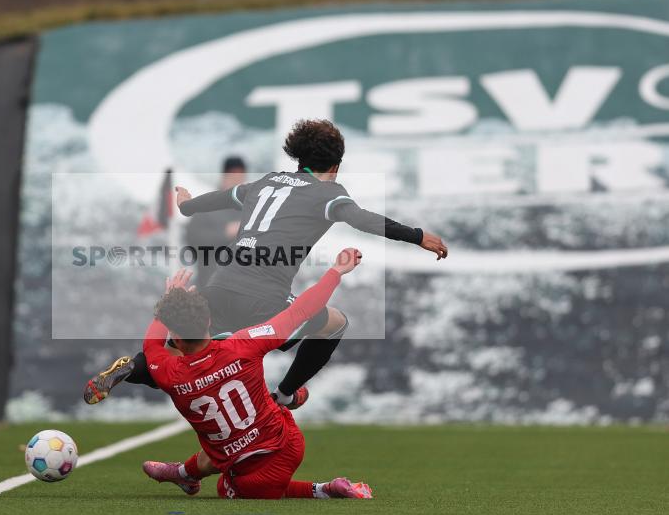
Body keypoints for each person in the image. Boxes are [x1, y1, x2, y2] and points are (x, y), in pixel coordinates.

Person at [85, 119, 448, 409]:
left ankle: (132, 367)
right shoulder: (329, 194)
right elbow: (362, 219)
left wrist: (186, 205)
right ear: (335, 165)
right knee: (335, 324)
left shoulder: (267, 182)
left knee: (183, 351)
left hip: (219, 286)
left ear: (299, 158)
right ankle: (287, 394)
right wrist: (416, 235)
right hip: (265, 300)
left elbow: (222, 198)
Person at [137, 251, 372, 499]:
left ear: (173, 337)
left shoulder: (166, 371)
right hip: (288, 441)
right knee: (229, 439)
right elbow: (300, 312)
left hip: (248, 460)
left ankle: (324, 489)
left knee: (226, 483)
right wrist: (336, 271)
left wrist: (168, 303)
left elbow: (150, 346)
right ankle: (185, 473)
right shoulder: (243, 343)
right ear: (208, 320)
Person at [184, 156, 247, 287]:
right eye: (233, 177)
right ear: (224, 176)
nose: (238, 182)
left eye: (241, 178)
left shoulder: (251, 208)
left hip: (244, 289)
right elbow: (192, 239)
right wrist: (225, 234)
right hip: (210, 285)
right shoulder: (207, 205)